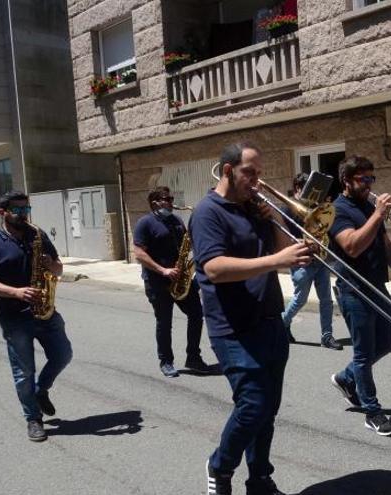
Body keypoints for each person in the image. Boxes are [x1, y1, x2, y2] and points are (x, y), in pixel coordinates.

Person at [192, 142, 311, 495]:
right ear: (228, 170)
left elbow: (280, 248)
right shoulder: (207, 212)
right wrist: (276, 262)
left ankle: (259, 478)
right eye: (250, 173)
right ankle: (219, 466)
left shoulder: (252, 209)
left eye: (260, 173)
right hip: (233, 328)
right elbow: (214, 268)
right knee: (252, 405)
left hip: (270, 320)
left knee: (267, 410)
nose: (257, 181)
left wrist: (273, 218)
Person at [327, 155, 391, 436]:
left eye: (372, 178)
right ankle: (372, 412)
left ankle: (346, 378)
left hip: (377, 286)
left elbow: (385, 245)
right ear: (346, 181)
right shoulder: (337, 210)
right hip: (353, 290)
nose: (369, 184)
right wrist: (378, 215)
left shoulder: (368, 206)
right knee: (363, 352)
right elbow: (351, 246)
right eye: (363, 179)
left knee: (387, 343)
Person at [0, 191, 73, 442]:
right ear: (2, 212)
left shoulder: (37, 234)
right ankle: (33, 418)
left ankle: (41, 391)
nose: (23, 215)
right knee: (24, 371)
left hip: (45, 311)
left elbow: (59, 268)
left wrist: (52, 264)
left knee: (63, 354)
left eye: (25, 209)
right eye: (17, 210)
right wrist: (16, 292)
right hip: (14, 316)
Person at [133, 186, 209, 378]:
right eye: (166, 199)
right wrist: (163, 270)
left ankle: (193, 357)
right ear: (155, 202)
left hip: (180, 277)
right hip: (157, 281)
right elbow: (139, 253)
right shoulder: (145, 223)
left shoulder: (176, 220)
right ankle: (166, 361)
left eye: (171, 198)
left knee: (196, 313)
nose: (170, 202)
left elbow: (185, 245)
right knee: (164, 322)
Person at [280, 172, 341, 350]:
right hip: (301, 260)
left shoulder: (316, 207)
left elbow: (324, 229)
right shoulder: (287, 209)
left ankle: (327, 336)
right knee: (301, 299)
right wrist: (303, 242)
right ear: (298, 188)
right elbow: (284, 238)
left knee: (326, 299)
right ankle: (282, 323)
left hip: (319, 258)